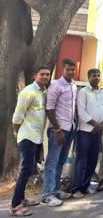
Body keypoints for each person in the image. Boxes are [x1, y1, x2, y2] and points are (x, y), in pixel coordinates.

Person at [10, 67, 51, 216]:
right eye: (42, 74)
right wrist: (17, 132)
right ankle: (15, 206)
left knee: (29, 171)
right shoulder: (28, 92)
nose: (45, 76)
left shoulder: (43, 92)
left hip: (36, 138)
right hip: (27, 137)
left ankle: (22, 199)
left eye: (47, 74)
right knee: (25, 170)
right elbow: (17, 117)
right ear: (35, 76)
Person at [42, 59, 78, 206]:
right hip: (58, 130)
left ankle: (56, 190)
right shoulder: (55, 85)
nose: (70, 72)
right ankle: (47, 194)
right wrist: (57, 129)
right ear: (63, 70)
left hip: (70, 129)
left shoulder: (74, 86)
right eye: (68, 69)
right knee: (52, 162)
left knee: (61, 161)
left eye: (72, 70)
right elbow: (49, 109)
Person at [72, 69, 103, 198]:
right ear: (89, 77)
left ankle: (85, 186)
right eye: (94, 76)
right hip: (85, 131)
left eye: (98, 75)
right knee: (82, 160)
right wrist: (94, 124)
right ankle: (77, 188)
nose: (96, 78)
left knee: (93, 160)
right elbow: (81, 111)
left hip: (97, 132)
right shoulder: (83, 92)